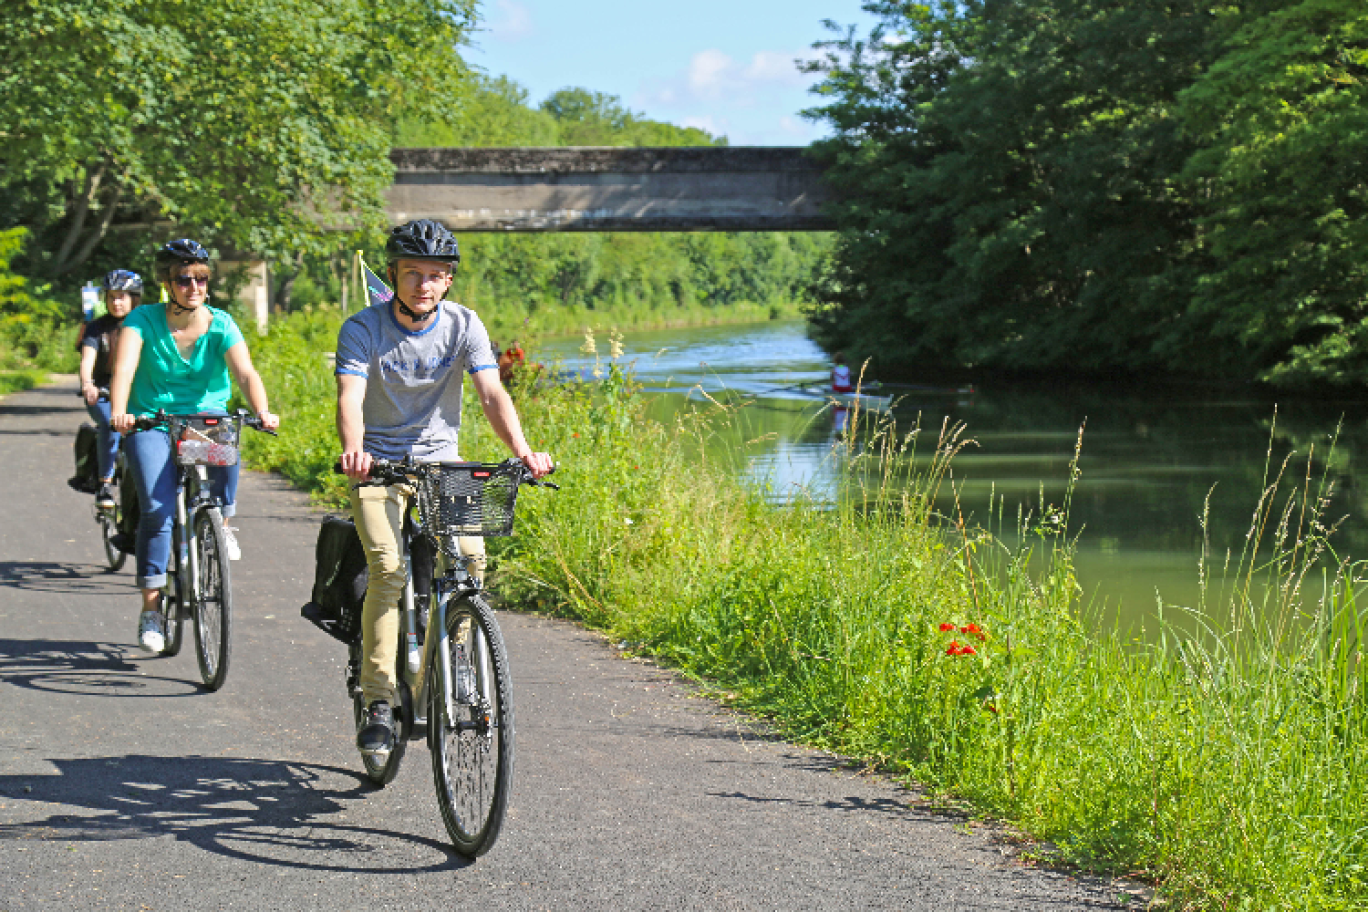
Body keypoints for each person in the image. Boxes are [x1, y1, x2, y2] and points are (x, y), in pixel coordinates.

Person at [335, 219, 552, 757]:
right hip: (379, 465)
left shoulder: (464, 324)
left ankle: (452, 669)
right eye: (413, 274)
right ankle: (379, 701)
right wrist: (356, 451)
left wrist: (523, 449)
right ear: (393, 275)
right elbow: (350, 397)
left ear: (449, 280)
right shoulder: (362, 328)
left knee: (470, 566)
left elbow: (490, 394)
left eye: (435, 276)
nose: (424, 285)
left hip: (441, 464)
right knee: (387, 569)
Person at [109, 239, 280, 653]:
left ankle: (221, 522)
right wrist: (120, 411)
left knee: (225, 433)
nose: (194, 286)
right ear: (167, 283)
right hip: (151, 420)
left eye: (201, 278)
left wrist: (263, 410)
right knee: (156, 508)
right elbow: (125, 368)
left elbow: (245, 372)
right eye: (184, 279)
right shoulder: (142, 321)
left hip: (202, 421)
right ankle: (151, 609)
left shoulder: (221, 324)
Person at [77, 269, 143, 508]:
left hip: (139, 391)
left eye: (122, 297)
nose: (116, 302)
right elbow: (87, 360)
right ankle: (104, 483)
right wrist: (88, 385)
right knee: (111, 423)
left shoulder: (146, 325)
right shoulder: (96, 328)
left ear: (134, 298)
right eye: (111, 297)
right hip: (103, 392)